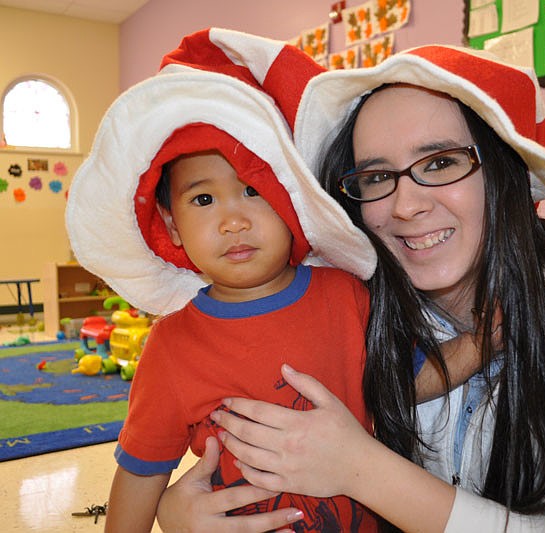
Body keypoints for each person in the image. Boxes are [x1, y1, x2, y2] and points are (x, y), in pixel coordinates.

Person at [157, 43, 545, 532]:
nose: (405, 206)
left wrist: (358, 466)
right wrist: (178, 508)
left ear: (503, 169)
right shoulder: (354, 296)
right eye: (377, 177)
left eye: (441, 163)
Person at [65, 29, 388, 532]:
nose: (233, 221)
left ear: (292, 199)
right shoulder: (173, 346)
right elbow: (141, 472)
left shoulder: (346, 294)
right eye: (203, 200)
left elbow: (409, 381)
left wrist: (484, 342)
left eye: (254, 190)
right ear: (172, 225)